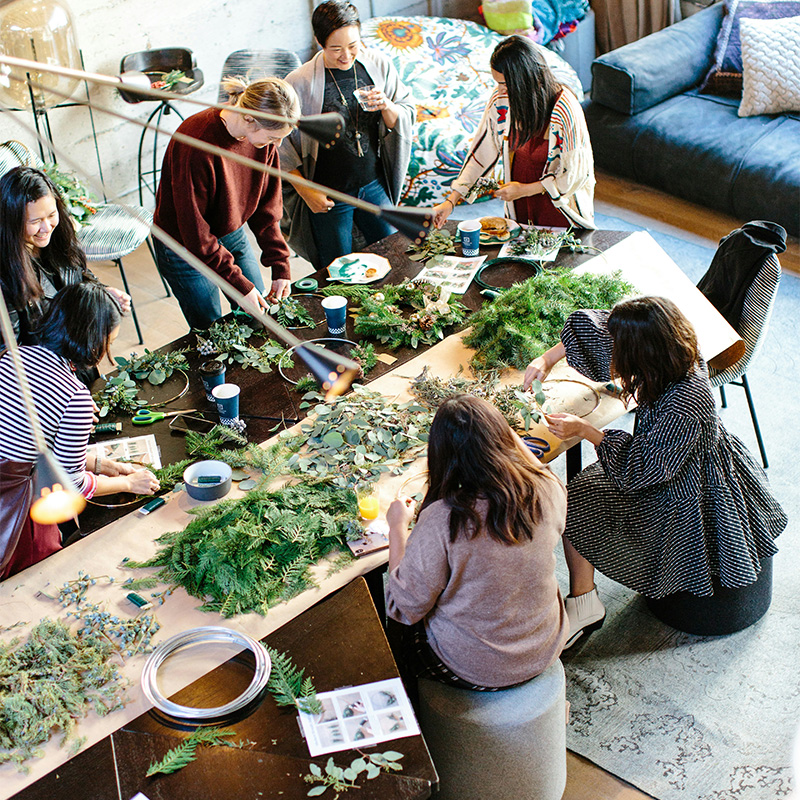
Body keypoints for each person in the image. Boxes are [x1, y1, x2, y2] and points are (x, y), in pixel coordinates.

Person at [524, 296, 787, 647]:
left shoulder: (686, 403)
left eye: (621, 351)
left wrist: (586, 431)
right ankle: (584, 598)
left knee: (574, 505)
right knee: (580, 490)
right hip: (670, 458)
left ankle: (584, 604)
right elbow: (597, 328)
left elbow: (641, 470)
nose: (613, 353)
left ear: (643, 354)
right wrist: (547, 357)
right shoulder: (673, 349)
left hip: (683, 485)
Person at [385, 395, 568, 691]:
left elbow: (403, 608)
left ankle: (417, 719)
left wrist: (397, 527)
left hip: (477, 668)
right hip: (545, 644)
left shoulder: (444, 519)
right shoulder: (547, 488)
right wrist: (494, 427)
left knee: (401, 633)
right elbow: (536, 468)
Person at [0, 283, 160, 579]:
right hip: (17, 509)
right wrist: (129, 483)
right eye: (109, 343)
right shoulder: (74, 396)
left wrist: (102, 463)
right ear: (94, 340)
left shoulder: (14, 357)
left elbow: (31, 441)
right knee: (35, 578)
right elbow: (72, 485)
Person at [154, 76, 300, 330]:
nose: (277, 145)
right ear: (249, 118)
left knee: (258, 317)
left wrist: (280, 264)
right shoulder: (196, 143)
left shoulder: (263, 143)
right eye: (273, 137)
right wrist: (240, 287)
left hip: (229, 230)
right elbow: (196, 234)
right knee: (211, 330)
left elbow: (267, 207)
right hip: (183, 247)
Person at [280, 0, 415, 269]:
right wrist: (306, 192)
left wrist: (387, 105)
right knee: (339, 270)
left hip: (373, 184)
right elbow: (279, 147)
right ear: (319, 42)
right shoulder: (299, 82)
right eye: (336, 49)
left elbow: (406, 112)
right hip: (328, 194)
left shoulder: (377, 65)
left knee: (395, 257)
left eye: (353, 46)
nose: (346, 56)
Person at [433, 35, 594, 230]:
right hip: (518, 200)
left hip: (558, 205)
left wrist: (525, 190)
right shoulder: (501, 101)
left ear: (525, 80)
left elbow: (573, 175)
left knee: (560, 255)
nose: (499, 91)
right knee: (517, 250)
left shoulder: (564, 109)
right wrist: (451, 201)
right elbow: (482, 151)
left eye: (505, 85)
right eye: (498, 83)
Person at [0, 166, 131, 346]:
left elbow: (80, 274)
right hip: (43, 368)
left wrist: (99, 293)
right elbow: (9, 353)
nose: (47, 228)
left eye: (52, 215)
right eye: (35, 221)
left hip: (75, 350)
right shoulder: (5, 275)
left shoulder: (59, 237)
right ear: (12, 222)